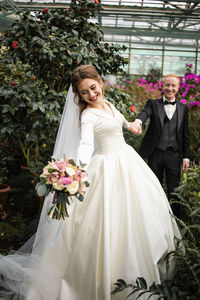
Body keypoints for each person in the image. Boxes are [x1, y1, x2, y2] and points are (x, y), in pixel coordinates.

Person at [0, 65, 181, 300]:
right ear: (79, 95)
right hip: (106, 167)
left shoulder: (108, 104)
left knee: (138, 216)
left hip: (127, 162)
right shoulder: (88, 115)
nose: (91, 95)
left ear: (100, 82)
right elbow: (85, 145)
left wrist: (133, 125)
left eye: (93, 88)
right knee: (106, 224)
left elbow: (122, 123)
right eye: (84, 92)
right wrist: (77, 171)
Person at [131, 74, 190, 217]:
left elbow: (185, 134)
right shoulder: (153, 103)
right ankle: (152, 218)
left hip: (174, 155)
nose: (170, 88)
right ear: (162, 86)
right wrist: (138, 121)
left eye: (173, 86)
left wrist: (186, 157)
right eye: (167, 85)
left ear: (178, 88)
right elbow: (145, 113)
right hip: (155, 153)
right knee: (153, 187)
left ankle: (175, 221)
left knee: (174, 190)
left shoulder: (183, 108)